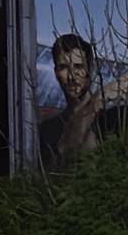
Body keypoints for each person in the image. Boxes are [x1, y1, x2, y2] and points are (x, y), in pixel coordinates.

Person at [35, 33, 118, 170]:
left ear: (89, 71)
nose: (72, 76)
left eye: (78, 66)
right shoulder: (48, 129)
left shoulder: (110, 119)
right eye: (64, 67)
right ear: (56, 72)